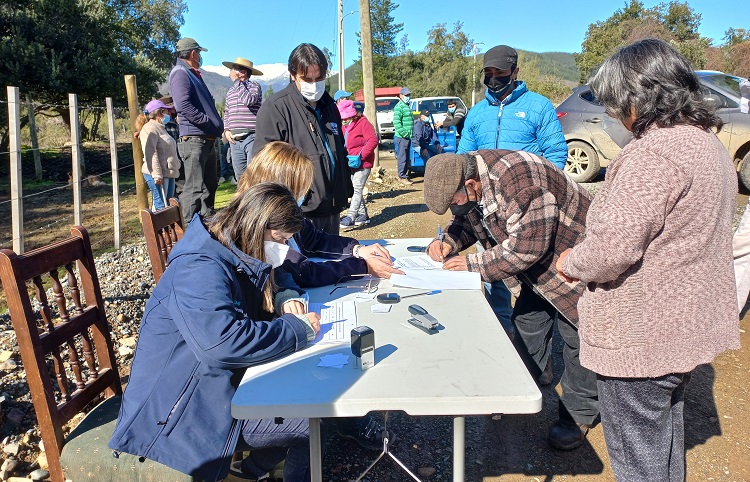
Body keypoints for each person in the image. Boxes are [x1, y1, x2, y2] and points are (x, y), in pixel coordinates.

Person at [556, 39, 740, 481]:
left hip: (644, 335)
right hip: (686, 328)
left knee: (640, 460)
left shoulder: (653, 155)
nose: (616, 117)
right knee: (663, 446)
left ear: (640, 99)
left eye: (618, 106)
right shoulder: (707, 145)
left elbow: (611, 250)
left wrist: (571, 262)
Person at [109, 182, 322, 482]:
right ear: (254, 225)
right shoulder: (200, 265)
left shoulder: (231, 247)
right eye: (280, 239)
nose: (284, 249)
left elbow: (250, 303)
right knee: (310, 424)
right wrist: (296, 332)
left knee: (307, 395)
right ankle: (251, 471)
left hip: (211, 390)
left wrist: (283, 297)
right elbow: (222, 343)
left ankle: (249, 472)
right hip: (179, 415)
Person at [423, 151, 599, 450]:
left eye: (455, 200)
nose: (456, 207)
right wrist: (447, 242)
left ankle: (576, 414)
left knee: (578, 339)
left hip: (575, 262)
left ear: (470, 184)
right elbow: (467, 220)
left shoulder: (520, 180)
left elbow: (528, 248)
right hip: (535, 270)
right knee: (527, 321)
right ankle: (526, 382)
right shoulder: (473, 182)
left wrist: (473, 265)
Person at [457, 44, 568, 358]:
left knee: (535, 281)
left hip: (528, 212)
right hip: (488, 210)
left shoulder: (539, 107)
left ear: (515, 72)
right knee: (494, 275)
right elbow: (461, 158)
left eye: (500, 75)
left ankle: (538, 357)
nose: (493, 81)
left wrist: (539, 198)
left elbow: (556, 155)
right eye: (488, 75)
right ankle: (503, 344)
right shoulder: (477, 113)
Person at [238, 141, 402, 288]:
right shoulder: (266, 228)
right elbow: (304, 272)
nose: (306, 194)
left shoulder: (283, 212)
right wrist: (363, 266)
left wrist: (357, 249)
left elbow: (314, 239)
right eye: (300, 189)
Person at [254, 43, 352, 235]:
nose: (314, 84)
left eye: (320, 78)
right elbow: (263, 165)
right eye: (307, 79)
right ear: (293, 75)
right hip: (300, 213)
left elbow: (339, 150)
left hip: (332, 206)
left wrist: (345, 186)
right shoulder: (276, 108)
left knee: (331, 260)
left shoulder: (330, 106)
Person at [169, 37, 223, 222]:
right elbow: (183, 104)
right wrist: (207, 122)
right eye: (199, 53)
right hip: (195, 140)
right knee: (193, 188)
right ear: (193, 53)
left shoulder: (190, 73)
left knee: (209, 186)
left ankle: (206, 227)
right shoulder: (180, 73)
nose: (200, 57)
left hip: (204, 139)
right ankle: (189, 238)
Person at [338, 99, 379, 228]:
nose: (344, 120)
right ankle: (363, 215)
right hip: (350, 163)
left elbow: (373, 140)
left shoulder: (363, 123)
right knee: (356, 189)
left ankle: (350, 216)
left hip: (363, 163)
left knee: (357, 188)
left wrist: (361, 156)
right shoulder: (344, 126)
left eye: (345, 118)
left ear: (352, 115)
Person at [134, 98, 180, 210]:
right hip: (158, 175)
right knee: (161, 206)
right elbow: (151, 153)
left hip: (168, 173)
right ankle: (159, 228)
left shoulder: (161, 128)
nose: (169, 114)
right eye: (166, 111)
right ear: (159, 113)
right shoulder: (150, 128)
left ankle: (168, 227)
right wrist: (156, 174)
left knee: (168, 205)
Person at [223, 56, 264, 181]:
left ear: (243, 72)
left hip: (251, 137)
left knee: (254, 175)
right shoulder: (230, 91)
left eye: (234, 69)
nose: (230, 72)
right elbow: (227, 112)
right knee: (240, 177)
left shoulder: (254, 86)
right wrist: (226, 130)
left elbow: (248, 100)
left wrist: (237, 82)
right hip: (235, 141)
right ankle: (244, 200)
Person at [393, 87, 414, 185]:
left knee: (406, 156)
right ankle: (401, 176)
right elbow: (397, 124)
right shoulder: (399, 107)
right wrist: (405, 134)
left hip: (407, 136)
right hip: (402, 137)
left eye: (409, 95)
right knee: (402, 157)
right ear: (401, 96)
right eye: (406, 95)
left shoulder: (407, 106)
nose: (408, 97)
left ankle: (404, 175)